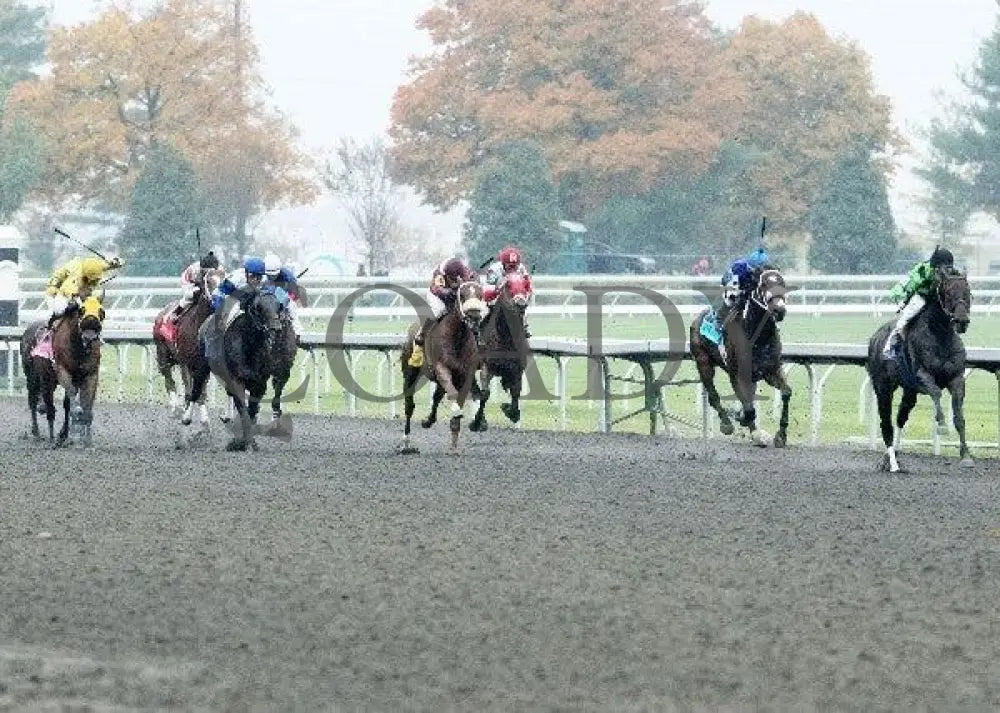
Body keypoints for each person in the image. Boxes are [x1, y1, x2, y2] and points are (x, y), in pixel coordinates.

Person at [882, 246, 955, 357]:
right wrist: (904, 298)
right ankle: (890, 347)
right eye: (944, 268)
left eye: (949, 268)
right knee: (905, 319)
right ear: (936, 266)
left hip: (937, 298)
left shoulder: (950, 272)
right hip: (922, 296)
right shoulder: (923, 271)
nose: (947, 271)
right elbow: (911, 284)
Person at [407, 256, 478, 368]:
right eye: (452, 279)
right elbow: (439, 292)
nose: (455, 280)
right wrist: (454, 289)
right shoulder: (439, 274)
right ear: (447, 276)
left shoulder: (465, 271)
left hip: (454, 293)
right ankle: (420, 338)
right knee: (439, 311)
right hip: (437, 296)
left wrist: (470, 281)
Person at [44, 255, 124, 328]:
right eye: (93, 280)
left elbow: (105, 266)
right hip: (64, 296)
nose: (95, 281)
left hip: (79, 294)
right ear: (86, 276)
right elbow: (71, 292)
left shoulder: (94, 267)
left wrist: (115, 262)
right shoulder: (74, 281)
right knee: (60, 311)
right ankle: (50, 325)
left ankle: (95, 332)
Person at [482, 245, 533, 338]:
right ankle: (480, 331)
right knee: (485, 310)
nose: (513, 269)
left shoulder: (521, 268)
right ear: (503, 264)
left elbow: (529, 287)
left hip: (515, 299)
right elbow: (486, 294)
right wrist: (499, 288)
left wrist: (525, 297)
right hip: (495, 299)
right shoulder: (494, 270)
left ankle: (525, 326)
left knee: (522, 307)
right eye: (510, 266)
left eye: (515, 266)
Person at [263, 252, 306, 348]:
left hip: (283, 295)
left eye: (274, 275)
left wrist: (286, 297)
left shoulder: (288, 276)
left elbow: (294, 295)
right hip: (267, 297)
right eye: (269, 275)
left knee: (291, 306)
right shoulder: (261, 274)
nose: (272, 277)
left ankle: (298, 332)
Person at [165, 251, 220, 323]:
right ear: (202, 269)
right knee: (190, 295)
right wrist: (201, 284)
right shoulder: (195, 269)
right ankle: (176, 312)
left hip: (205, 283)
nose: (208, 273)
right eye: (206, 271)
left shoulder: (219, 270)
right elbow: (197, 283)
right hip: (188, 281)